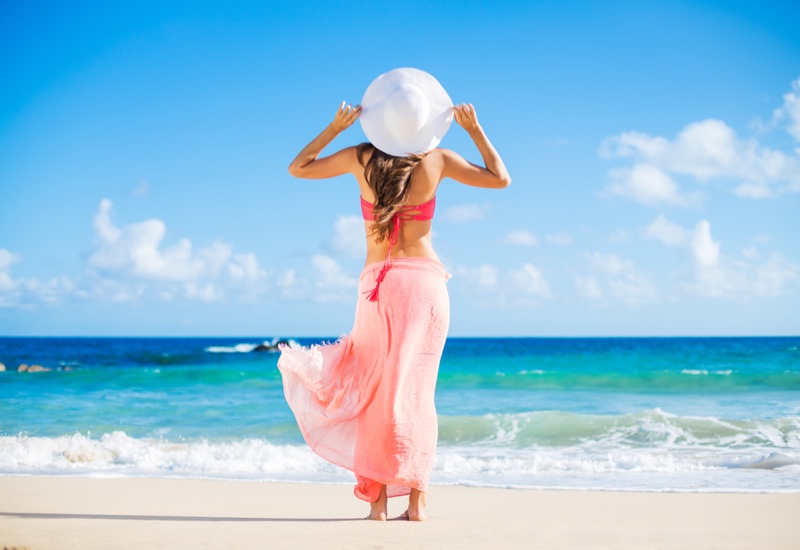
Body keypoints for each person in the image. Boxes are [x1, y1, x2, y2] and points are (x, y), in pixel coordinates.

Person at [278, 68, 510, 522]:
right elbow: (499, 178)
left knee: (376, 391)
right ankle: (418, 503)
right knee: (418, 394)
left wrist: (335, 128)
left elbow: (297, 168)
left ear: (379, 122)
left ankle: (379, 506)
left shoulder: (359, 157)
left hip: (378, 287)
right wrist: (475, 130)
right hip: (424, 285)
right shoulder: (439, 160)